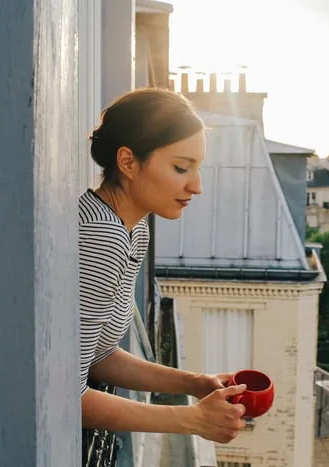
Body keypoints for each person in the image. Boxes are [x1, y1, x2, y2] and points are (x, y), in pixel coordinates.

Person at [79, 88, 247, 449]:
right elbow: (65, 392)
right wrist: (193, 419)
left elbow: (99, 355)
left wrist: (194, 383)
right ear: (127, 162)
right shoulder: (100, 237)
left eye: (197, 168)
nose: (196, 186)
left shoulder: (132, 229)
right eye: (181, 167)